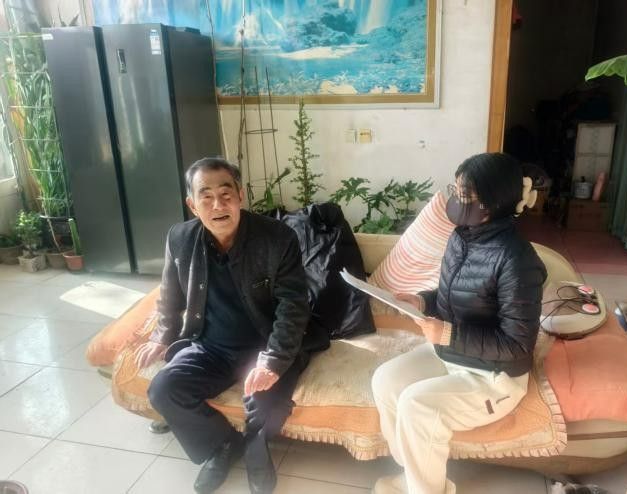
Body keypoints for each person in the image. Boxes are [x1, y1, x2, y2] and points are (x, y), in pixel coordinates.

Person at [134, 157, 327, 494]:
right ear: (192, 205)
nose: (218, 205)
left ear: (240, 195)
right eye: (206, 196)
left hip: (265, 345)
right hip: (209, 346)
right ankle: (222, 445)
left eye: (226, 194)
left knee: (266, 406)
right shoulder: (180, 238)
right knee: (164, 389)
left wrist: (273, 361)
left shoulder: (277, 238)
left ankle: (255, 451)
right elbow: (169, 294)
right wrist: (162, 335)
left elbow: (293, 306)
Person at [371, 153, 547, 494]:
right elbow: (453, 292)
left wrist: (448, 334)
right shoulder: (461, 236)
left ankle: (426, 490)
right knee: (386, 380)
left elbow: (517, 344)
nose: (455, 198)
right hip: (453, 353)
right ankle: (413, 476)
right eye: (455, 189)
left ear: (492, 202)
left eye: (464, 193)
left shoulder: (517, 259)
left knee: (417, 404)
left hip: (495, 376)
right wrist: (422, 301)